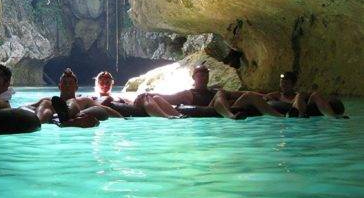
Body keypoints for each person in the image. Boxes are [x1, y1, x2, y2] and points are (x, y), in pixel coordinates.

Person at [134, 64, 286, 119]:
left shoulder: (213, 91)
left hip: (222, 107)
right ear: (194, 77)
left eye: (205, 73)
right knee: (220, 93)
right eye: (200, 73)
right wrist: (148, 94)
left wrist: (265, 95)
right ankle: (231, 117)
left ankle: (281, 117)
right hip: (212, 111)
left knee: (250, 95)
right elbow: (168, 97)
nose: (203, 76)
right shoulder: (189, 94)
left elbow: (238, 94)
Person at [29, 68, 122, 128]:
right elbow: (29, 107)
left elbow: (105, 109)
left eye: (70, 83)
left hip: (71, 115)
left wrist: (123, 119)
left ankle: (66, 115)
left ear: (76, 87)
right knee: (45, 103)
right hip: (49, 117)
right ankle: (38, 122)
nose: (67, 86)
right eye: (64, 83)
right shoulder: (49, 100)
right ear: (59, 86)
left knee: (72, 101)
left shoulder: (84, 101)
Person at [264, 71, 348, 118]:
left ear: (293, 85)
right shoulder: (277, 95)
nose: (283, 86)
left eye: (286, 83)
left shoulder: (298, 95)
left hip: (304, 107)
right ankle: (301, 115)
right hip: (291, 111)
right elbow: (264, 98)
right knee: (300, 96)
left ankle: (333, 116)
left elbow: (307, 97)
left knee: (313, 94)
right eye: (282, 83)